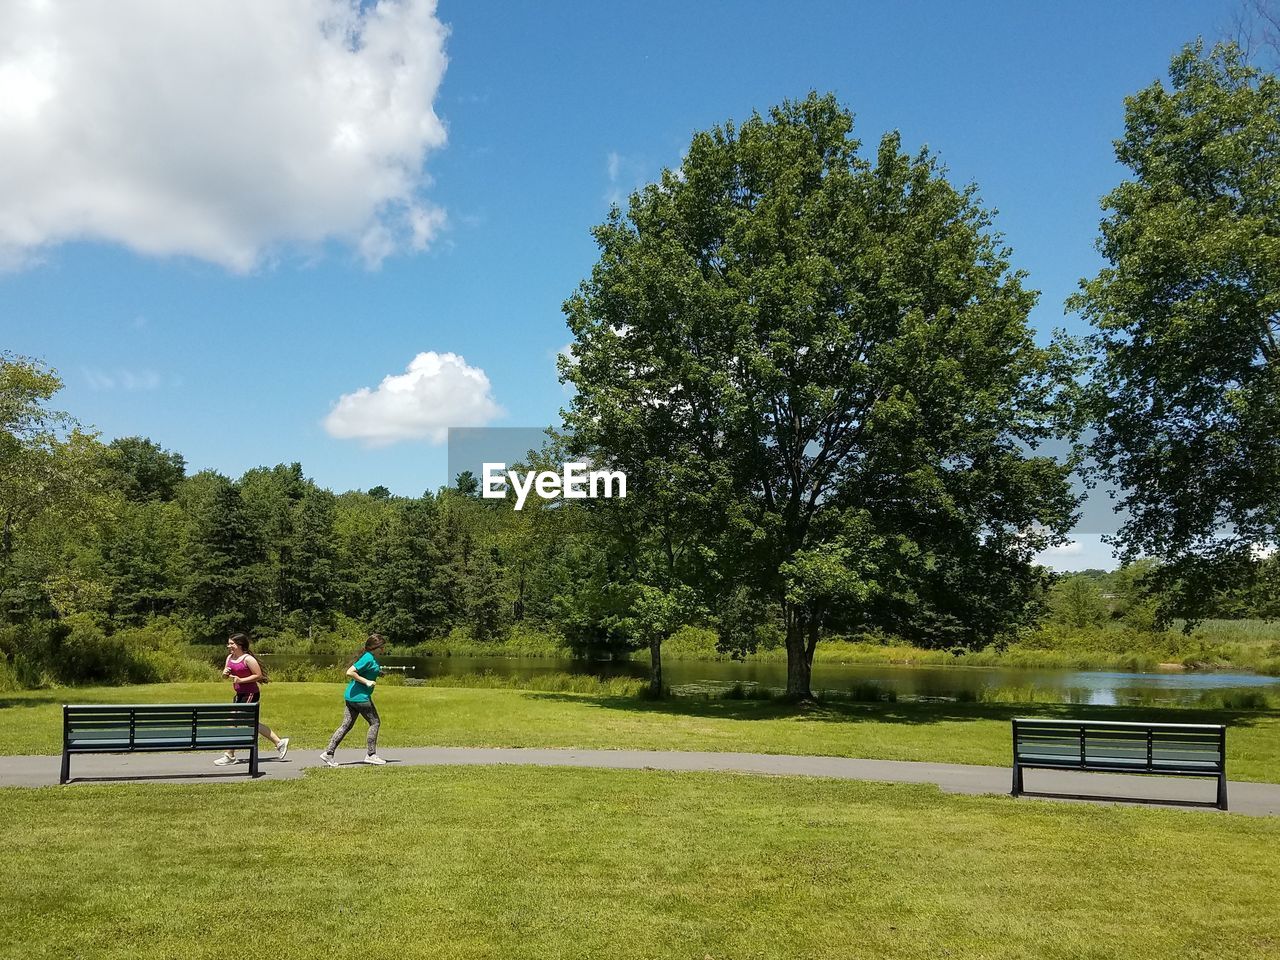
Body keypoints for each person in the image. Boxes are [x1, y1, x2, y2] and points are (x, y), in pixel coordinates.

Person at [215, 633, 289, 765]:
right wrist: (225, 674)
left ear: (240, 645)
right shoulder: (230, 658)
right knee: (250, 723)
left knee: (233, 720)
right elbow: (226, 676)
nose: (229, 646)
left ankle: (229, 755)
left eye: (232, 643)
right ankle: (279, 742)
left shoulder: (248, 659)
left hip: (250, 694)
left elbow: (258, 675)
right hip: (239, 694)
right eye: (229, 643)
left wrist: (241, 680)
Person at [319, 633, 387, 766]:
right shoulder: (368, 658)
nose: (383, 650)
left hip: (351, 697)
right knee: (375, 722)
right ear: (375, 647)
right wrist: (367, 681)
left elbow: (365, 670)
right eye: (382, 647)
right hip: (360, 698)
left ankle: (328, 753)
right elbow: (350, 672)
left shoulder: (370, 658)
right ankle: (371, 755)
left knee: (346, 725)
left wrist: (378, 673)